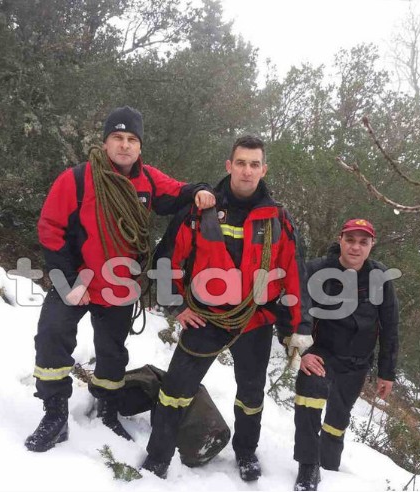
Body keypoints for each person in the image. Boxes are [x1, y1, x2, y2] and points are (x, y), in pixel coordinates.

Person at [25, 106, 215, 452]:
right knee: (52, 335)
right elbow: (50, 229)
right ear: (105, 142)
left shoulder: (150, 181)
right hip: (77, 281)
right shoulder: (78, 178)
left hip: (120, 285)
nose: (124, 145)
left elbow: (180, 194)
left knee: (112, 353)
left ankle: (107, 408)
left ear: (139, 147)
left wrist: (201, 191)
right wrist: (69, 281)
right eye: (118, 137)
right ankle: (54, 413)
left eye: (131, 139)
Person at [141, 135, 313, 481]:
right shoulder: (200, 208)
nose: (247, 171)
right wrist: (176, 306)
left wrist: (299, 327)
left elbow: (294, 275)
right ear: (228, 165)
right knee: (175, 388)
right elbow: (168, 258)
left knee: (250, 394)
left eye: (254, 164)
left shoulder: (276, 218)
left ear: (264, 169)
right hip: (205, 316)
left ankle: (246, 452)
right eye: (241, 163)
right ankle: (158, 454)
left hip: (255, 319)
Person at [291, 218, 400, 491]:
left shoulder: (380, 278)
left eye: (363, 242)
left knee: (338, 419)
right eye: (350, 240)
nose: (355, 247)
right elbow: (295, 312)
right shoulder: (317, 270)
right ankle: (307, 468)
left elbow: (390, 326)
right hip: (320, 355)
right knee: (309, 399)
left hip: (357, 362)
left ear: (372, 245)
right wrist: (301, 352)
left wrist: (387, 373)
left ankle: (329, 466)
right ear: (340, 239)